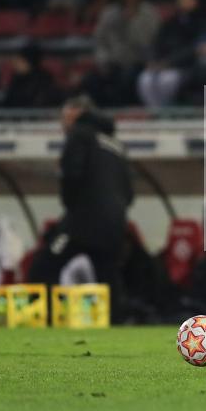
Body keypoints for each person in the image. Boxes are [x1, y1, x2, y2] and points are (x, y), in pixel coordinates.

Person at [28, 95, 134, 319]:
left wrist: (73, 208)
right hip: (115, 225)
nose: (63, 125)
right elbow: (129, 191)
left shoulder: (80, 135)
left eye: (66, 118)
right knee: (108, 277)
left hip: (83, 222)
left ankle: (39, 316)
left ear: (79, 114)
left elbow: (71, 176)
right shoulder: (116, 145)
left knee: (44, 266)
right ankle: (116, 323)